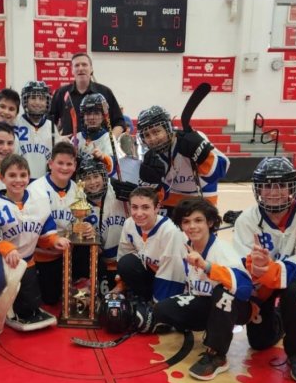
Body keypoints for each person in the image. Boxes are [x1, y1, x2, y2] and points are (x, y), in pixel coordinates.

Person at [233, 156, 296, 383]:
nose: (273, 192)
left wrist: (268, 268)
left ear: (292, 187)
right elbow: (243, 263)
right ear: (258, 189)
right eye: (267, 186)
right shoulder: (246, 220)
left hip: (292, 278)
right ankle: (282, 317)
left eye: (281, 185)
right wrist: (254, 267)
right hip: (261, 282)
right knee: (260, 343)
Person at [154, 197, 253, 381]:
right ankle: (212, 327)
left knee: (223, 293)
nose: (192, 226)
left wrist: (207, 267)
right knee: (161, 310)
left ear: (210, 222)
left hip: (237, 307)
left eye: (198, 220)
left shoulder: (222, 250)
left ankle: (217, 355)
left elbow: (245, 288)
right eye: (186, 221)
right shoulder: (185, 247)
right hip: (207, 303)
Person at [0, 154, 70, 331]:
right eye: (12, 175)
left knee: (31, 305)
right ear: (2, 178)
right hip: (0, 264)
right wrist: (7, 248)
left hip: (27, 262)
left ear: (29, 177)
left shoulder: (39, 200)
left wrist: (55, 240)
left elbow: (45, 229)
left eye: (23, 175)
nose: (18, 180)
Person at [112, 105, 230, 219]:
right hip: (173, 198)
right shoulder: (151, 156)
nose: (152, 139)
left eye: (156, 132)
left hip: (203, 197)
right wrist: (141, 191)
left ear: (168, 127)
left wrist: (203, 154)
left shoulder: (192, 139)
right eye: (147, 135)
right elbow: (162, 193)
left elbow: (220, 171)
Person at [115, 186, 187, 333]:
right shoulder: (129, 223)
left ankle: (158, 306)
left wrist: (158, 308)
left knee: (163, 318)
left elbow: (173, 273)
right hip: (153, 273)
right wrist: (120, 285)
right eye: (134, 207)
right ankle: (142, 299)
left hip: (176, 282)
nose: (139, 213)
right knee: (126, 263)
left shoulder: (170, 231)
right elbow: (125, 254)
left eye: (145, 207)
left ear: (157, 208)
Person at [28, 141, 81, 305]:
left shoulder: (77, 189)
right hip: (42, 256)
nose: (64, 168)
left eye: (69, 164)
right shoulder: (35, 189)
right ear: (50, 163)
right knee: (49, 301)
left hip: (68, 254)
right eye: (60, 163)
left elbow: (78, 221)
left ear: (75, 166)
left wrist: (83, 227)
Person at [77, 158, 127, 297]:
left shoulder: (116, 190)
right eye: (87, 178)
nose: (92, 182)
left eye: (96, 176)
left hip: (125, 259)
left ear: (104, 176)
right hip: (101, 262)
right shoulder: (79, 201)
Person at [49, 53, 125, 139]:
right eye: (77, 65)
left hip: (99, 147)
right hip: (69, 146)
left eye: (84, 65)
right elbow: (49, 122)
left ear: (91, 69)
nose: (80, 68)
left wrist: (109, 140)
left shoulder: (105, 92)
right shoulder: (61, 93)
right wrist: (57, 139)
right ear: (72, 70)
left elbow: (119, 122)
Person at [16, 81, 60, 180]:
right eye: (33, 98)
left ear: (47, 101)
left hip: (44, 181)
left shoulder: (51, 126)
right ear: (25, 100)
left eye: (42, 99)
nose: (37, 102)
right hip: (20, 180)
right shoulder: (16, 123)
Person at [71, 93, 116, 177]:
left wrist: (103, 157)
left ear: (103, 117)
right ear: (83, 116)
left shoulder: (108, 138)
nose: (92, 117)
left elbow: (112, 168)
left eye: (96, 113)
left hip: (100, 183)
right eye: (88, 114)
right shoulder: (76, 138)